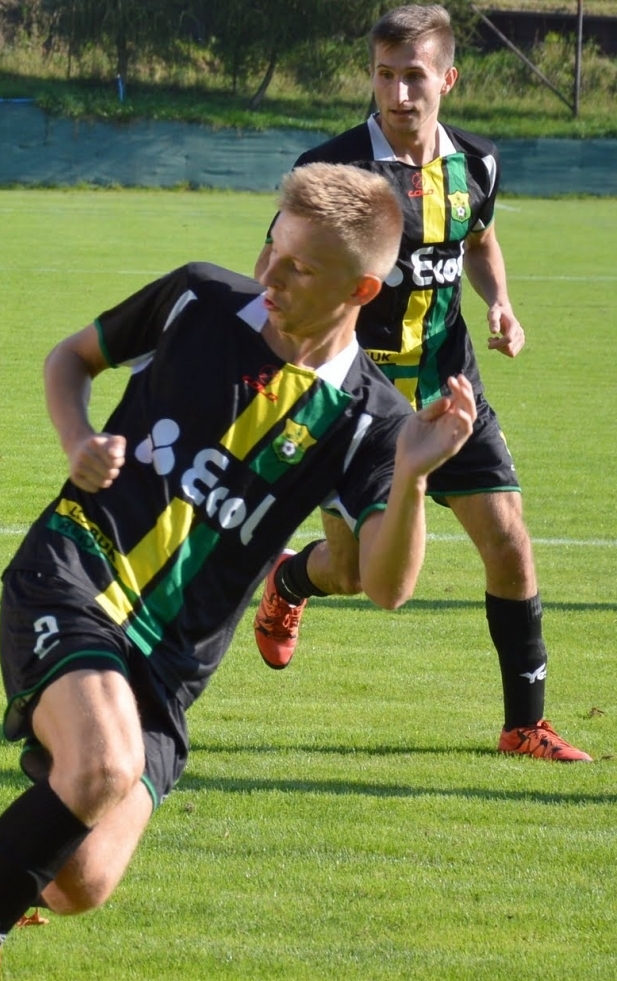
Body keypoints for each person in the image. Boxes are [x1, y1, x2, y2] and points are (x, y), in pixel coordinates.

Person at [0, 163, 477, 981]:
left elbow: (385, 585)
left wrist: (411, 477)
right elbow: (70, 358)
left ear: (359, 288)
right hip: (76, 571)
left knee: (78, 879)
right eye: (269, 248)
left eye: (296, 270)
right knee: (96, 768)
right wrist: (77, 440)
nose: (268, 277)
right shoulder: (198, 300)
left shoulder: (368, 420)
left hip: (169, 665)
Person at [250, 5, 588, 761]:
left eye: (413, 77)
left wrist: (499, 301)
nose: (398, 94)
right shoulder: (333, 172)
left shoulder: (478, 163)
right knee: (358, 572)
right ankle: (293, 580)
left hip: (448, 391)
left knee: (509, 542)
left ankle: (522, 724)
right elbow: (268, 272)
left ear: (446, 78)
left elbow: (479, 240)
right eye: (383, 76)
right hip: (356, 406)